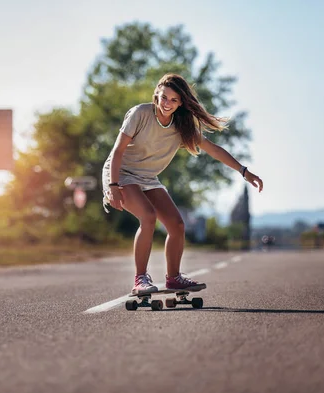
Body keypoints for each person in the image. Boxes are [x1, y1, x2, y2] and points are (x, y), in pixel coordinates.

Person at [102, 73, 263, 295]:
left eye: (174, 100)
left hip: (148, 177)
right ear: (157, 94)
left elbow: (213, 149)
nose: (167, 103)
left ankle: (174, 278)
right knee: (148, 216)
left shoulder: (182, 127)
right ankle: (140, 279)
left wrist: (243, 171)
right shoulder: (140, 113)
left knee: (177, 225)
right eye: (164, 97)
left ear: (181, 103)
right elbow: (118, 150)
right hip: (121, 172)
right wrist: (113, 185)